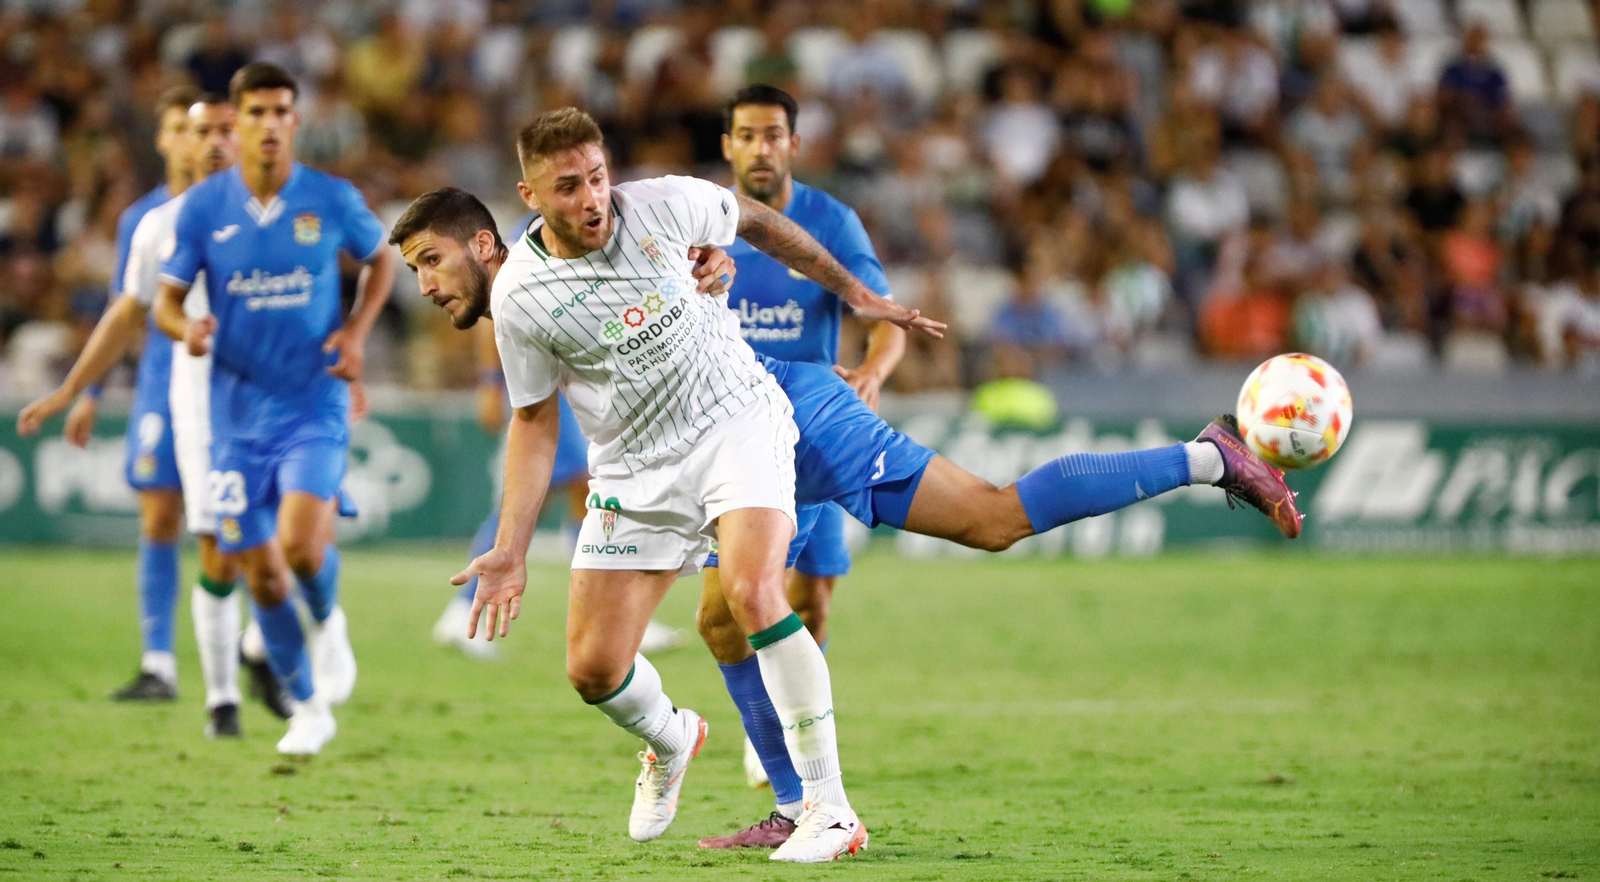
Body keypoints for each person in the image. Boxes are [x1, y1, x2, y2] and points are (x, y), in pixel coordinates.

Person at [392, 180, 1302, 857]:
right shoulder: (527, 285)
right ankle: (786, 800)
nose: (425, 285)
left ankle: (1207, 457)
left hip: (783, 415)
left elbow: (666, 222)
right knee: (713, 621)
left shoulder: (580, 224)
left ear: (482, 239)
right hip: (695, 459)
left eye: (430, 261)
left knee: (989, 519)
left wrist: (733, 261)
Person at [394, 107, 941, 862]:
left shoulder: (662, 203)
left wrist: (856, 296)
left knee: (753, 593)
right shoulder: (519, 294)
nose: (591, 197)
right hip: (636, 468)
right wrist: (511, 549)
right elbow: (533, 422)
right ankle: (672, 737)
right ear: (530, 196)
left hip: (735, 423)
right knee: (592, 669)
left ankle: (831, 809)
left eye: (596, 177)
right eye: (568, 186)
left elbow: (754, 222)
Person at [151, 62, 397, 756]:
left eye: (279, 111)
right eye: (254, 112)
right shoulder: (203, 209)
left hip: (312, 402)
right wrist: (186, 329)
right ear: (239, 117)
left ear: (295, 120)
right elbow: (167, 302)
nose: (267, 124)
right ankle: (308, 707)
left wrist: (354, 332)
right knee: (258, 571)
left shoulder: (330, 197)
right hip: (233, 416)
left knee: (297, 545)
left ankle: (327, 625)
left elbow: (381, 261)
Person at [709, 84, 906, 798]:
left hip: (811, 432)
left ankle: (792, 729)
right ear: (727, 144)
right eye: (747, 135)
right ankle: (776, 735)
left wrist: (875, 373)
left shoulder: (832, 221)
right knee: (733, 600)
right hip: (731, 435)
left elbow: (881, 312)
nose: (761, 148)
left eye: (773, 135)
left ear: (794, 143)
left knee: (812, 600)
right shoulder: (704, 221)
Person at [13, 86, 195, 704]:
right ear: (164, 138)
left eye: (203, 129)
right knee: (159, 517)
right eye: (180, 128)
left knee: (232, 528)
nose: (194, 140)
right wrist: (86, 392)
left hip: (223, 388)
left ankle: (249, 653)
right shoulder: (140, 219)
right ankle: (158, 662)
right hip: (158, 384)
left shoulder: (234, 209)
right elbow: (125, 312)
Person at [432, 290, 689, 660]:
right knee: (584, 487)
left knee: (553, 497)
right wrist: (490, 382)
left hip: (581, 382)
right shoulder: (532, 235)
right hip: (551, 385)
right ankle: (616, 617)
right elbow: (492, 309)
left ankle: (464, 611)